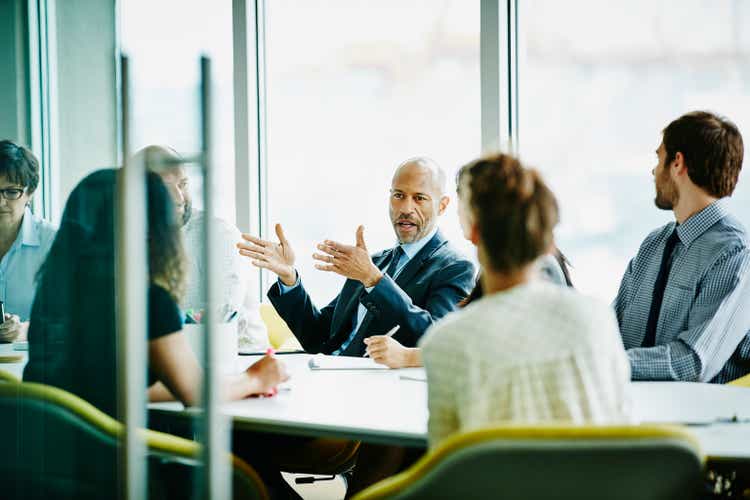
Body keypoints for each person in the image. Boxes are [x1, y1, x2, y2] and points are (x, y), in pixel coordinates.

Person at [24, 169, 287, 418]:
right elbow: (193, 392)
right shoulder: (148, 301)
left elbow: (108, 387)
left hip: (48, 456)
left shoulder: (54, 294)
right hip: (117, 459)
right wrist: (254, 379)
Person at [420, 153, 631, 447]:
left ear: (474, 232)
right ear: (545, 234)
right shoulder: (597, 318)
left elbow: (445, 462)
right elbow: (622, 427)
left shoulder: (446, 343)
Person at [238, 157, 476, 356]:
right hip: (330, 376)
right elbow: (318, 337)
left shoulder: (455, 267)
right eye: (399, 195)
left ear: (442, 206)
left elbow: (436, 341)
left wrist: (373, 280)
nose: (406, 208)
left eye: (419, 198)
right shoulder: (373, 262)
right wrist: (290, 278)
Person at [614, 111, 750, 383]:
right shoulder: (653, 246)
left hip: (698, 419)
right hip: (633, 411)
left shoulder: (735, 254)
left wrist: (607, 365)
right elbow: (612, 330)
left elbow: (693, 362)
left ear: (677, 163)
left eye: (658, 158)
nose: (653, 171)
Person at [135, 145, 269, 352]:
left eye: (183, 184)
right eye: (164, 187)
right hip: (164, 362)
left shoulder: (217, 234)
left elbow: (220, 316)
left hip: (240, 360)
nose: (179, 198)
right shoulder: (127, 238)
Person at [0, 140, 55, 343]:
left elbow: (71, 316)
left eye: (12, 191)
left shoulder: (52, 241)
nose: (0, 202)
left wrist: (24, 330)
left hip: (31, 364)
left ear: (29, 193)